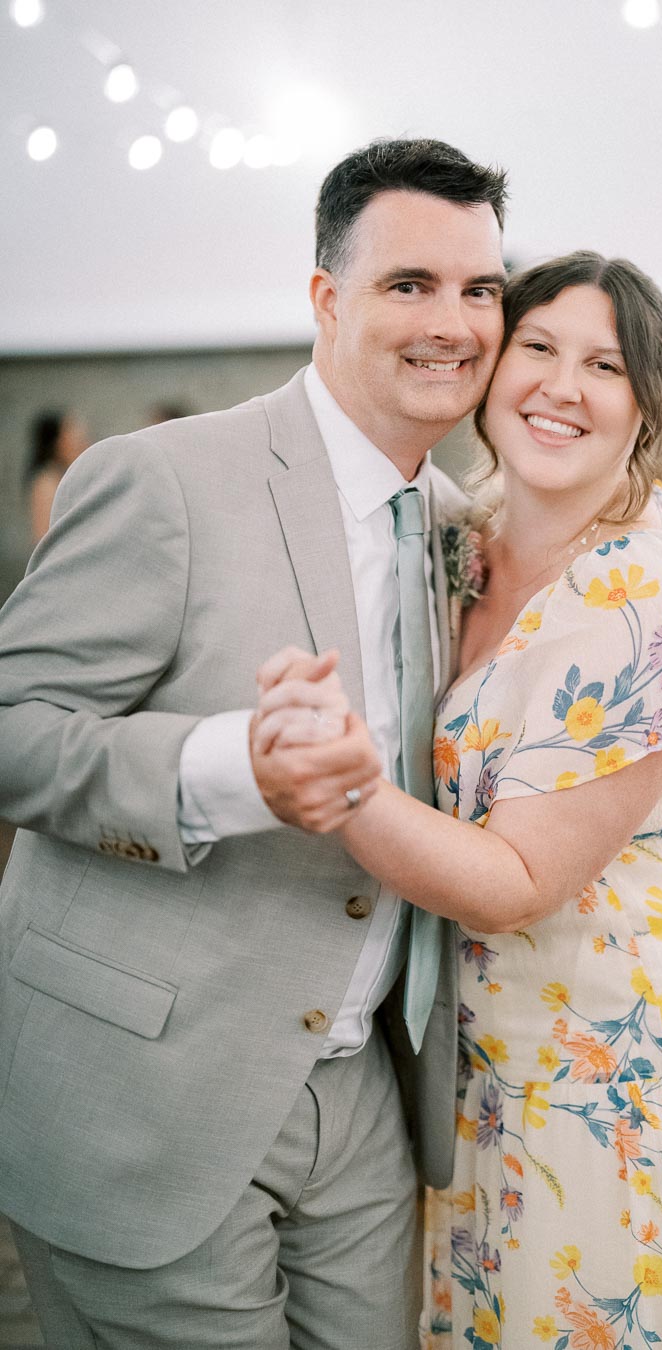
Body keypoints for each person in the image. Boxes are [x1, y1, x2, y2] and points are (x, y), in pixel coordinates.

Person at [255, 253, 662, 1348]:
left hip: (636, 1077)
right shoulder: (459, 540)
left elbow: (518, 883)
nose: (560, 386)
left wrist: (340, 790)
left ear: (644, 408)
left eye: (604, 365)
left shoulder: (640, 585)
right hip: (507, 1059)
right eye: (538, 348)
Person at [0, 138, 508, 1350]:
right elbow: (16, 730)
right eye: (410, 285)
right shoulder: (165, 480)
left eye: (481, 289)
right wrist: (228, 769)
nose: (455, 323)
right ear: (327, 298)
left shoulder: (462, 530)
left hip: (368, 1100)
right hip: (154, 1094)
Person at [26, 410, 90, 543]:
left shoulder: (64, 477)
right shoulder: (46, 483)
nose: (85, 445)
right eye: (77, 440)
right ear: (56, 444)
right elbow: (45, 538)